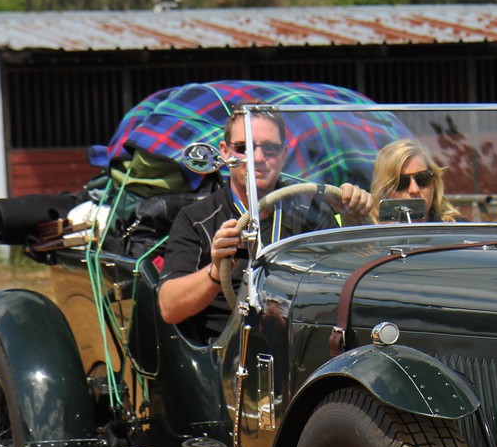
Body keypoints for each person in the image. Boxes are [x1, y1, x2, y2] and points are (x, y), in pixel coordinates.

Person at [158, 109, 373, 339]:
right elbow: (169, 308)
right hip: (224, 351)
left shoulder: (309, 210)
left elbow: (346, 284)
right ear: (224, 151)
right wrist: (215, 271)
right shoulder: (197, 217)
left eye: (270, 148)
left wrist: (354, 218)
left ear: (284, 154)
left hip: (299, 345)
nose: (257, 158)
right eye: (243, 148)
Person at [369, 139, 461, 222]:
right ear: (383, 190)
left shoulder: (456, 230)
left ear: (434, 183)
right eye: (402, 183)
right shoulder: (369, 233)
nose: (414, 190)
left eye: (422, 179)